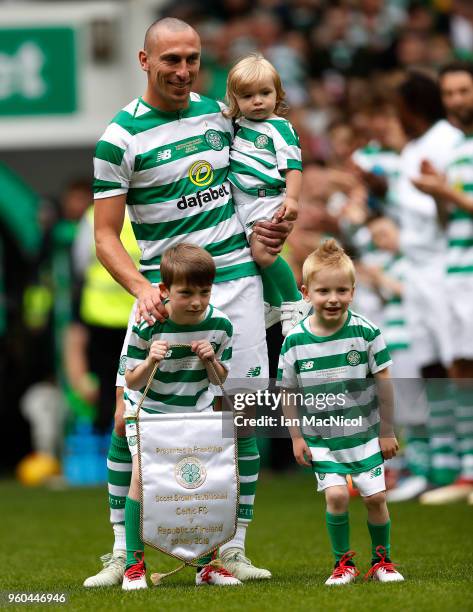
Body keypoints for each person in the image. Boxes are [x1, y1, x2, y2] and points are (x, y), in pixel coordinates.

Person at [85, 17, 291, 586]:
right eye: (171, 59)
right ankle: (122, 550)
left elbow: (259, 183)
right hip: (163, 295)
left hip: (237, 285)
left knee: (244, 416)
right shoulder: (118, 139)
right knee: (129, 416)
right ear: (144, 60)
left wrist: (267, 230)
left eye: (192, 59)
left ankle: (233, 548)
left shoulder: (220, 117)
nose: (182, 70)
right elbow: (105, 236)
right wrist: (140, 289)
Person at [277, 239, 404, 585]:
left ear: (353, 290)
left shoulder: (366, 331)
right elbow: (287, 392)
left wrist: (387, 430)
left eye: (341, 290)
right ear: (306, 293)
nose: (333, 298)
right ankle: (342, 564)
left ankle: (382, 561)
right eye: (323, 291)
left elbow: (385, 383)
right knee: (336, 495)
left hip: (364, 433)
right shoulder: (294, 341)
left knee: (375, 497)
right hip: (322, 437)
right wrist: (297, 438)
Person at [122, 244, 240, 589]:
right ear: (164, 291)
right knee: (142, 480)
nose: (196, 301)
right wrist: (149, 362)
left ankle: (207, 565)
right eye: (186, 293)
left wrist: (210, 361)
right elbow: (131, 379)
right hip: (151, 413)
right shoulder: (147, 324)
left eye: (204, 292)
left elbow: (221, 379)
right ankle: (133, 564)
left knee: (206, 482)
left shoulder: (220, 324)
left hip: (196, 412)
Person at [411, 61, 473, 504]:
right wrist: (438, 194)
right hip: (455, 269)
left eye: (464, 91)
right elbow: (448, 218)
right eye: (449, 93)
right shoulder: (458, 150)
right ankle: (468, 471)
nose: (456, 101)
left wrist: (443, 191)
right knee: (460, 369)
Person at [225, 54, 310, 335]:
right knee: (253, 257)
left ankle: (294, 301)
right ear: (235, 99)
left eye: (265, 93)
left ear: (278, 94)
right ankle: (273, 303)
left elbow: (293, 167)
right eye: (248, 96)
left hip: (267, 200)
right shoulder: (236, 127)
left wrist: (292, 199)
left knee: (264, 253)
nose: (258, 101)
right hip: (242, 204)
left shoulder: (280, 128)